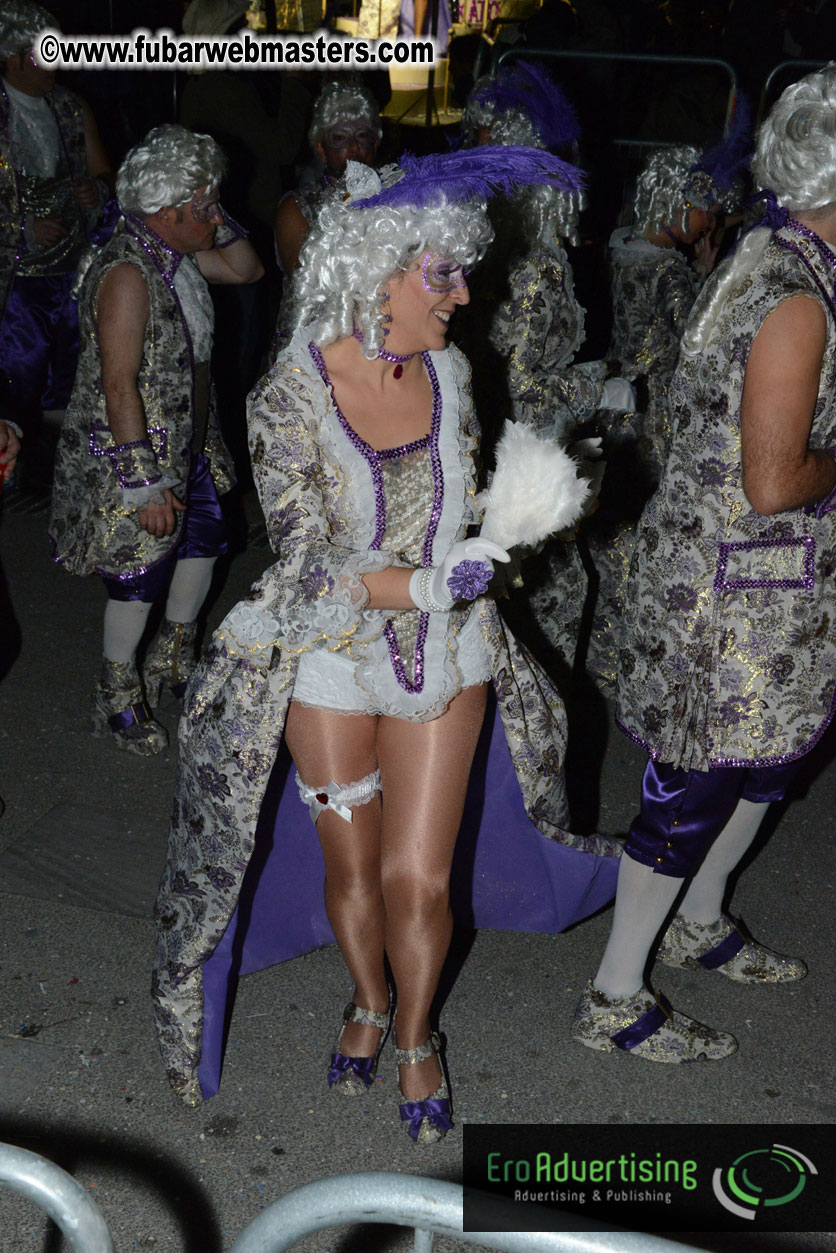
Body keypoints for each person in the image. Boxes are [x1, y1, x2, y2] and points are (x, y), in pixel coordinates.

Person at [153, 147, 621, 1130]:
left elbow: (456, 502)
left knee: (420, 875)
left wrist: (512, 524)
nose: (461, 292)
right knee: (352, 871)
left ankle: (415, 1033)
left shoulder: (450, 369)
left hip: (446, 651)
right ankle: (366, 996)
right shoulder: (287, 393)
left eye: (460, 269)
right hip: (325, 649)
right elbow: (300, 557)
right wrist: (414, 578)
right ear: (377, 270)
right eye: (440, 272)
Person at [572, 66, 836, 1063]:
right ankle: (611, 992)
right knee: (690, 789)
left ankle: (698, 920)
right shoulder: (791, 297)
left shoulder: (777, 249)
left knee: (768, 763)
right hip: (733, 595)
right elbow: (772, 481)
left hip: (769, 586)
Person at [49, 125, 263, 756]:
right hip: (136, 453)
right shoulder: (127, 272)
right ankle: (114, 695)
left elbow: (248, 270)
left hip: (192, 440)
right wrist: (143, 485)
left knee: (202, 546)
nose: (217, 216)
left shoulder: (175, 255)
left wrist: (210, 214)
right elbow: (118, 387)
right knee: (137, 575)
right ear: (167, 212)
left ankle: (173, 658)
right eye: (204, 206)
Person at [456, 60, 631, 676]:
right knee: (541, 599)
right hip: (520, 453)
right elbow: (525, 384)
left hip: (503, 443)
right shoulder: (535, 266)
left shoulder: (501, 250)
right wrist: (601, 380)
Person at [588, 115, 750, 692]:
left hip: (616, 399)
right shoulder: (670, 276)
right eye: (706, 208)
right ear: (677, 204)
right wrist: (709, 274)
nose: (713, 220)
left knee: (614, 519)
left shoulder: (624, 249)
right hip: (653, 409)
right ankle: (629, 655)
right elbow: (698, 336)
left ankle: (605, 651)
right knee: (644, 526)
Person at [0, 0, 113, 478]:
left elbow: (105, 171)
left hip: (70, 272)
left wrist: (95, 189)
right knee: (15, 381)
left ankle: (65, 477)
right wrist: (19, 229)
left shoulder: (69, 105)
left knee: (73, 379)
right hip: (14, 281)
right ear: (18, 56)